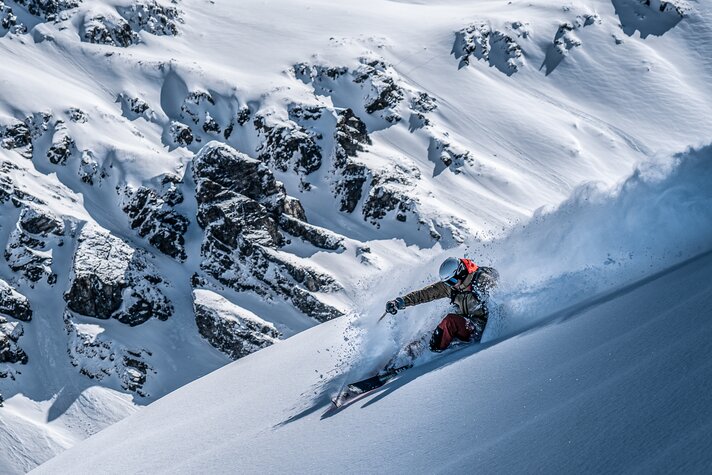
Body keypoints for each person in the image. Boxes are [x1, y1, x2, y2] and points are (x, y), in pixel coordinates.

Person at [384, 257, 499, 352]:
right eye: (447, 283)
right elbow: (425, 294)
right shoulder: (452, 287)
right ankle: (406, 357)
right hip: (464, 322)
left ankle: (433, 354)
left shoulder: (482, 281)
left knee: (449, 321)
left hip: (479, 327)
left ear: (461, 273)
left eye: (452, 281)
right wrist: (400, 302)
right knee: (431, 334)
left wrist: (493, 332)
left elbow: (500, 301)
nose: (451, 285)